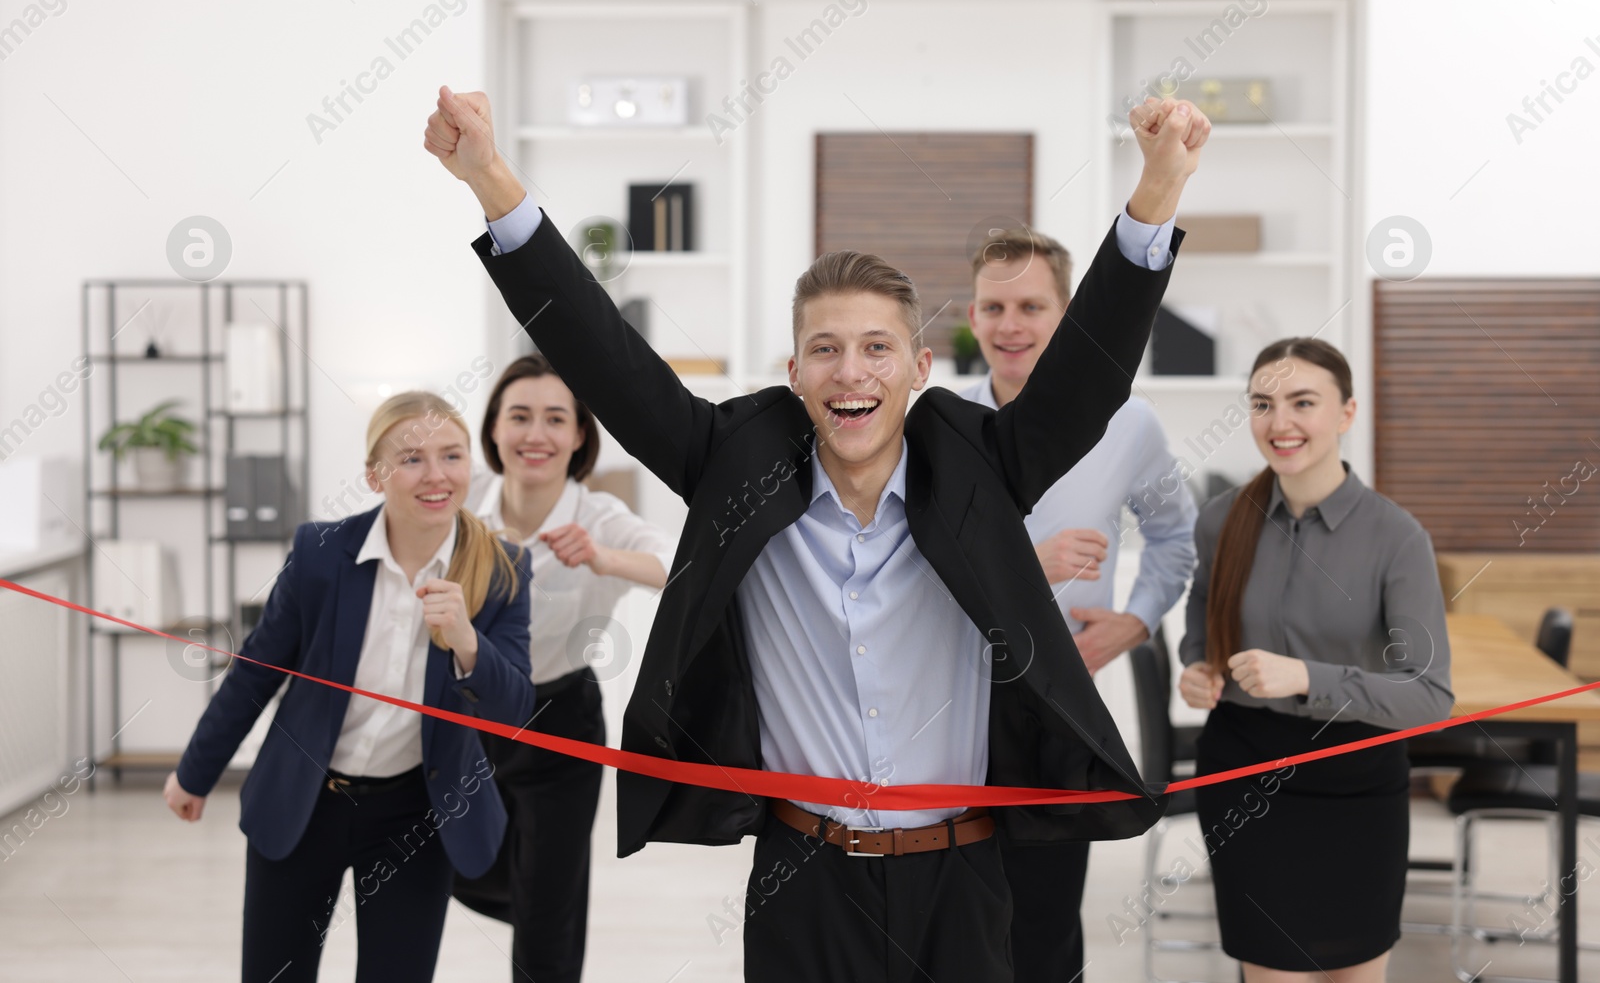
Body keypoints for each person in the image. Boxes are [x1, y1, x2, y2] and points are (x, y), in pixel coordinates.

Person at [424, 83, 1211, 981]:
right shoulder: (735, 457)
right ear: (794, 370)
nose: (852, 371)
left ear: (918, 367)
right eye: (827, 349)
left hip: (962, 877)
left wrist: (1156, 194)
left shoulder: (979, 460)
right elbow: (607, 359)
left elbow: (1086, 376)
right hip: (801, 879)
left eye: (878, 347)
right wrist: (489, 177)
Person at [162, 392, 535, 983]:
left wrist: (467, 640)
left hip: (416, 813)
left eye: (452, 456)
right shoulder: (320, 553)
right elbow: (258, 668)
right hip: (306, 800)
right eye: (412, 459)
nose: (436, 476)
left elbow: (515, 709)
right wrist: (195, 772)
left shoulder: (502, 566)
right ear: (375, 475)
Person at [961, 224, 1198, 981]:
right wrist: (1021, 565)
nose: (1011, 325)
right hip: (944, 698)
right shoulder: (937, 423)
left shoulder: (1129, 424)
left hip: (1057, 711)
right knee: (954, 910)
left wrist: (1133, 621)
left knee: (1046, 919)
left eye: (1032, 305)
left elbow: (1173, 538)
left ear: (1066, 315)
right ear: (971, 317)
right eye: (994, 306)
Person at [1177, 338, 1452, 983]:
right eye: (1263, 404)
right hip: (1245, 778)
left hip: (1355, 783)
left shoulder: (1397, 537)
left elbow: (1430, 698)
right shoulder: (1221, 520)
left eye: (1304, 402)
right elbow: (1201, 617)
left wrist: (1309, 679)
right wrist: (1198, 667)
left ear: (1346, 413)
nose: (1281, 424)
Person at [452, 353, 675, 983]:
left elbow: (675, 565)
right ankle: (530, 898)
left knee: (549, 912)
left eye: (556, 419)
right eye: (519, 416)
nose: (536, 434)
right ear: (494, 428)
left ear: (579, 436)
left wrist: (603, 557)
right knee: (457, 862)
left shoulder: (598, 516)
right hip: (467, 712)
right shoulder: (462, 500)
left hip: (560, 722)